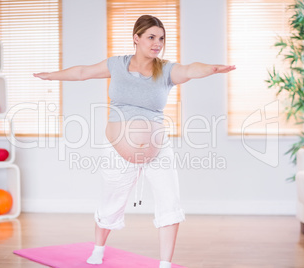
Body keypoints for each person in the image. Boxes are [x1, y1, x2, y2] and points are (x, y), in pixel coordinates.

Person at [34, 14, 235, 268]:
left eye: (161, 38)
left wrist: (213, 69)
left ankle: (165, 263)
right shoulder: (117, 65)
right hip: (119, 150)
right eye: (151, 37)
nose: (157, 43)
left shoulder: (166, 70)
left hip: (158, 150)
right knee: (110, 203)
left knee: (170, 203)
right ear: (136, 38)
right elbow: (83, 72)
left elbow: (189, 70)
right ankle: (98, 249)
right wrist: (52, 76)